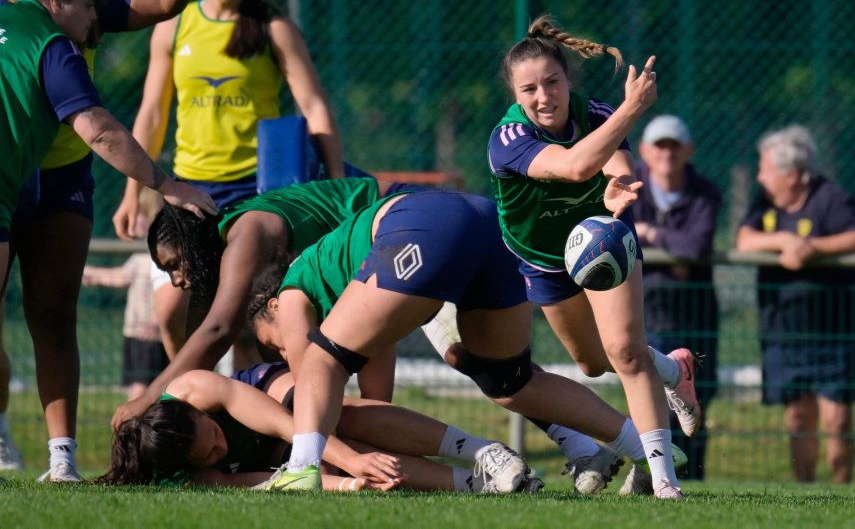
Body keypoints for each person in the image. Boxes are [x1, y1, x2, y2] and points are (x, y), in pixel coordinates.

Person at [253, 189, 687, 499]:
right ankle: (649, 452)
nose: (282, 353)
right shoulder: (354, 297)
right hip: (487, 222)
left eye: (274, 345)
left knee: (321, 357)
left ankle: (299, 472)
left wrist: (327, 456)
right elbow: (376, 405)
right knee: (510, 383)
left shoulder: (291, 293)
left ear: (271, 306)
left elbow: (314, 382)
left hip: (424, 223)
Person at [0, 0, 201, 481]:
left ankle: (61, 458)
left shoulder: (66, 6)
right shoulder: (52, 39)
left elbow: (161, 2)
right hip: (9, 179)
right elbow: (99, 127)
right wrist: (164, 183)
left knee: (54, 313)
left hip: (58, 183)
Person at [111, 0, 347, 387]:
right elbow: (152, 114)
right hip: (191, 191)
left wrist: (336, 182)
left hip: (258, 193)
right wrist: (131, 192)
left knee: (252, 318)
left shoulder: (272, 27)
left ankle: (251, 406)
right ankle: (192, 394)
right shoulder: (174, 27)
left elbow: (315, 106)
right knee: (173, 308)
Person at [486, 15, 700, 496]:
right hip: (543, 259)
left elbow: (616, 164)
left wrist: (618, 185)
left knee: (626, 351)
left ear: (568, 80)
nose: (544, 97)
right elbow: (575, 165)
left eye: (552, 82)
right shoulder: (508, 139)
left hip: (603, 241)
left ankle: (664, 483)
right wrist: (633, 107)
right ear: (515, 95)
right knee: (592, 362)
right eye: (529, 89)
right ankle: (673, 370)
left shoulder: (597, 113)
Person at [111, 178, 400, 427]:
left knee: (347, 405)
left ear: (191, 244)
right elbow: (199, 339)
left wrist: (146, 400)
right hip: (381, 244)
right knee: (300, 379)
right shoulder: (221, 252)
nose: (176, 280)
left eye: (174, 264)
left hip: (401, 219)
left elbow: (218, 330)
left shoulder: (247, 235)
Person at [99, 368, 538, 494]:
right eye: (210, 454)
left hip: (274, 399)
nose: (221, 444)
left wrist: (353, 460)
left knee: (330, 417)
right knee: (333, 464)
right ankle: (480, 485)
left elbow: (291, 427)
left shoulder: (195, 389)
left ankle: (481, 451)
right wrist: (348, 481)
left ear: (196, 412)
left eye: (213, 431)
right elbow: (267, 481)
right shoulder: (186, 477)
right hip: (267, 457)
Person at [736, 125, 855, 484]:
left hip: (835, 331)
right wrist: (784, 240)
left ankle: (842, 490)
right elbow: (744, 240)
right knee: (798, 419)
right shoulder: (764, 202)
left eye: (765, 169)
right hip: (784, 331)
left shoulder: (831, 198)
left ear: (792, 175)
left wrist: (813, 247)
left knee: (837, 420)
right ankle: (806, 490)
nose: (760, 177)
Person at [631, 114, 722, 480]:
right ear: (644, 150)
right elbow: (620, 237)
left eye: (674, 146)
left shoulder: (705, 192)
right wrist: (674, 257)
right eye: (659, 145)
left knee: (697, 402)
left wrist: (651, 234)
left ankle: (692, 477)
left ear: (688, 151)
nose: (666, 153)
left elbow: (696, 246)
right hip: (646, 314)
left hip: (695, 316)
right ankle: (654, 475)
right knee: (652, 399)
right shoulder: (630, 187)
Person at [82, 190, 171, 401]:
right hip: (136, 331)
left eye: (138, 214)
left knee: (141, 389)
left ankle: (134, 419)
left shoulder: (158, 254)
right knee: (138, 385)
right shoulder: (140, 253)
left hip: (149, 334)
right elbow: (122, 276)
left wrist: (156, 320)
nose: (132, 219)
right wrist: (88, 273)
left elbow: (170, 293)